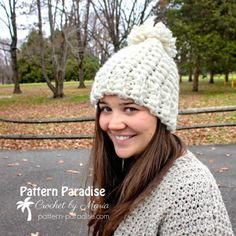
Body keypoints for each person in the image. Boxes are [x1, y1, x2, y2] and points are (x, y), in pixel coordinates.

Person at [88, 21, 234, 236]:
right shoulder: (129, 166)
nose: (113, 123)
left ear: (161, 114)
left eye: (130, 108)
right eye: (106, 108)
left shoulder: (190, 191)